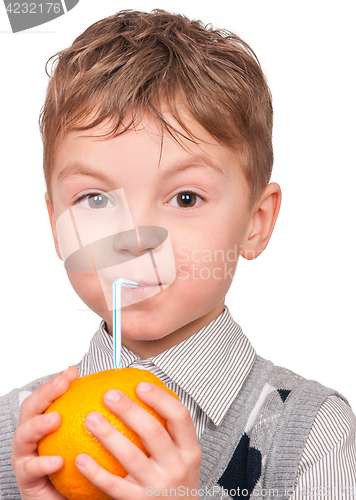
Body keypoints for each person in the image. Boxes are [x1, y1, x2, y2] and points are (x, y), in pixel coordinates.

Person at [1, 9, 355, 500]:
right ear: (56, 227)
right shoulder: (13, 433)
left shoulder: (311, 433)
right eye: (95, 200)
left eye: (185, 198)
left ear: (256, 222)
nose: (134, 238)